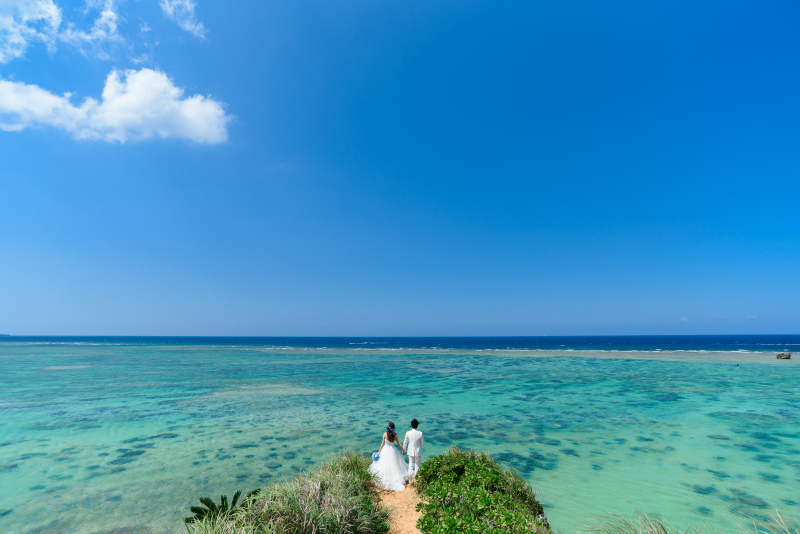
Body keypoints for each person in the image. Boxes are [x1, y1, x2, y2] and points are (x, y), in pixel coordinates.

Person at [369, 422, 409, 491]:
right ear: (394, 428)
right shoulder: (395, 435)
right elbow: (399, 444)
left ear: (387, 427)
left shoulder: (385, 434)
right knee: (395, 465)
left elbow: (382, 444)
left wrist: (379, 451)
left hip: (385, 450)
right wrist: (403, 451)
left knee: (384, 464)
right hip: (393, 450)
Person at [403, 418, 424, 482]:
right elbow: (423, 443)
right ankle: (415, 478)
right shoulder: (420, 433)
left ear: (411, 425)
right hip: (418, 451)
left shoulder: (408, 433)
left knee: (410, 465)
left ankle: (409, 479)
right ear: (417, 425)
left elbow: (405, 442)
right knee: (417, 465)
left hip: (410, 451)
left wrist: (404, 450)